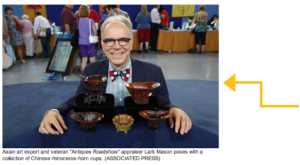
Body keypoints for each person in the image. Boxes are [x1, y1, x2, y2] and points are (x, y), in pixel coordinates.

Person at [39, 15, 192, 136]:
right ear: (103, 45)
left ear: (131, 43)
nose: (117, 46)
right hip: (99, 136)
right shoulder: (91, 70)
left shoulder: (153, 71)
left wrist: (175, 110)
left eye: (123, 40)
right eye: (110, 40)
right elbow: (79, 99)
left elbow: (164, 103)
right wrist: (54, 111)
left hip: (143, 136)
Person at [77, 5, 97, 72]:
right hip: (89, 42)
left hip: (81, 42)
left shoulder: (78, 20)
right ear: (88, 12)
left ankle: (84, 75)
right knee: (92, 58)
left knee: (84, 59)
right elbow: (95, 32)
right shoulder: (91, 21)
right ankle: (93, 73)